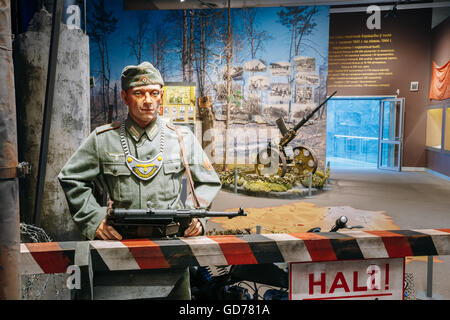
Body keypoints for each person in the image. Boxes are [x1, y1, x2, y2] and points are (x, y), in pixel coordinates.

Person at [58, 61, 222, 299]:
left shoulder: (181, 138)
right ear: (125, 97)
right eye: (139, 93)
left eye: (154, 93)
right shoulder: (103, 139)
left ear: (161, 97)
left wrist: (195, 213)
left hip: (171, 250)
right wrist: (93, 220)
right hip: (119, 248)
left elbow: (209, 181)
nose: (148, 100)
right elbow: (71, 177)